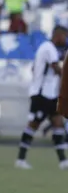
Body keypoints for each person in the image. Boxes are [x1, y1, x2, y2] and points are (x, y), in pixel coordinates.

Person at [16, 26, 68, 170]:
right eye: (64, 36)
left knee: (58, 123)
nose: (65, 40)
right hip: (41, 94)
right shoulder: (48, 47)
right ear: (58, 35)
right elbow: (56, 68)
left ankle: (63, 161)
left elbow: (35, 68)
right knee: (34, 124)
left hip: (50, 94)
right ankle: (20, 159)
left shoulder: (49, 49)